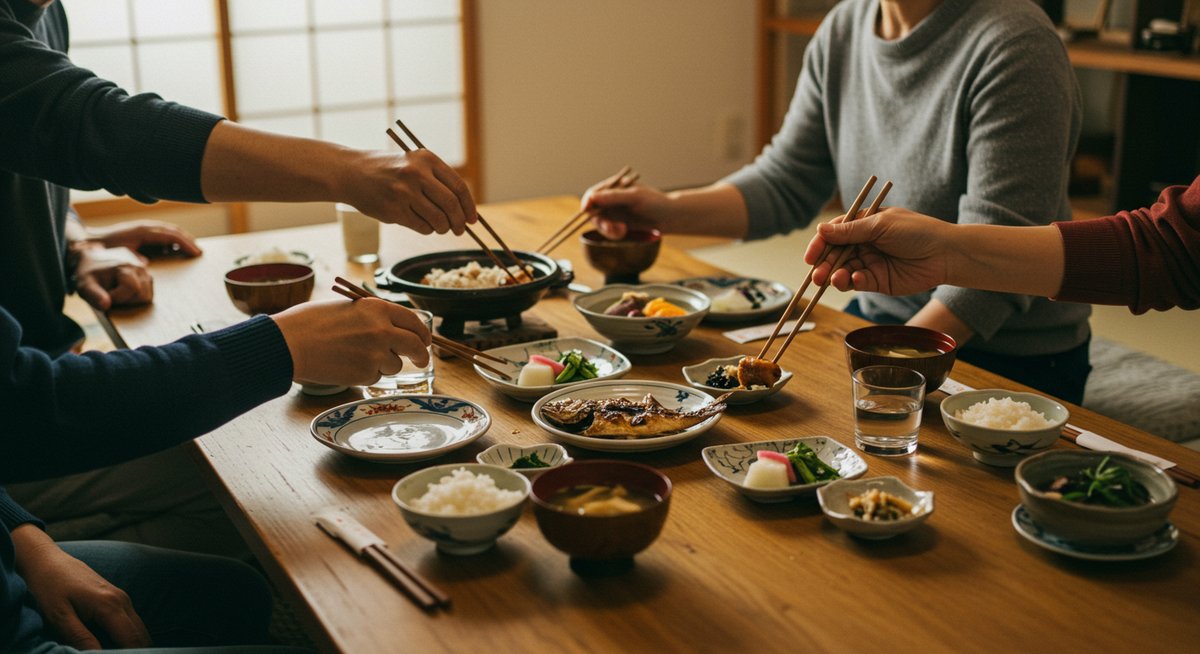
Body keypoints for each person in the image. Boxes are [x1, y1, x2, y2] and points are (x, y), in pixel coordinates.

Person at [0, 0, 468, 650]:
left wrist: (77, 243)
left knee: (249, 537)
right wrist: (280, 346)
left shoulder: (40, 12)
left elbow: (33, 139)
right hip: (29, 428)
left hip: (25, 441)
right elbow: (87, 122)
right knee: (257, 466)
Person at [582, 0, 1092, 404]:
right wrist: (664, 210)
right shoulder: (845, 26)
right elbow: (787, 180)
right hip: (875, 325)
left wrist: (879, 366)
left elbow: (988, 275)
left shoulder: (1016, 42)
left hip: (1004, 357)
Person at [806, 175, 1200, 312]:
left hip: (1018, 354)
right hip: (882, 308)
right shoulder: (846, 25)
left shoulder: (1017, 40)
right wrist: (944, 252)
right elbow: (1169, 249)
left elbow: (1171, 252)